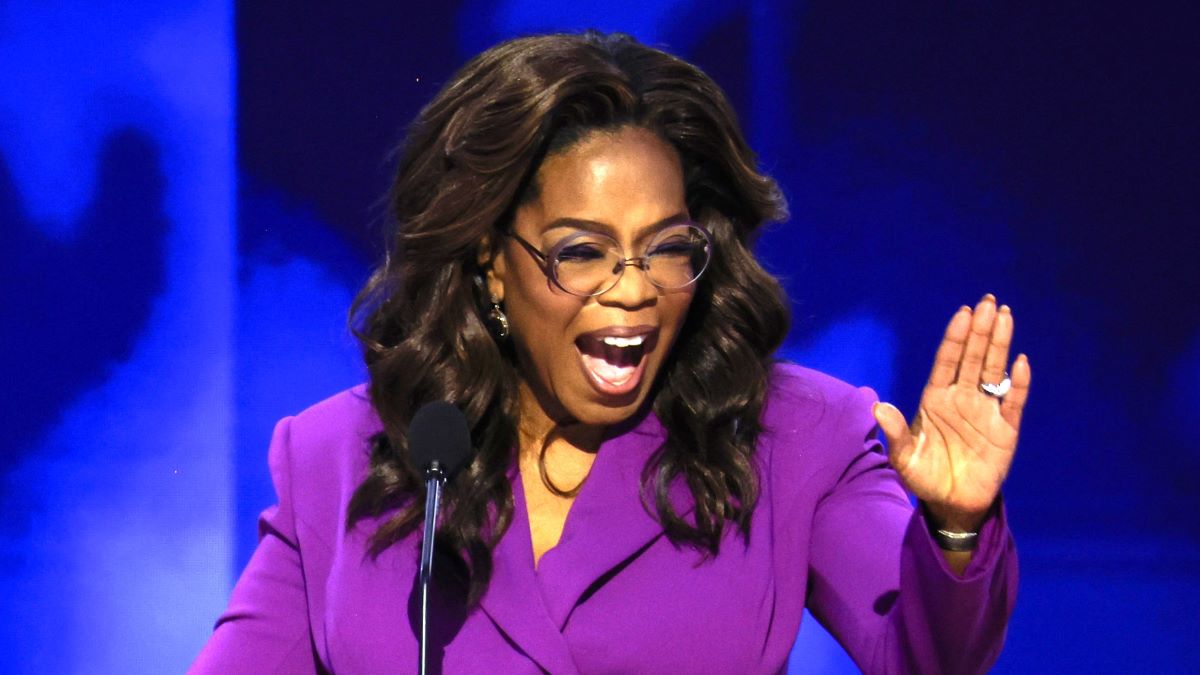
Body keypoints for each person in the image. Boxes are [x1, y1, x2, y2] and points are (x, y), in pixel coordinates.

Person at [192, 31, 1028, 674]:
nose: (633, 289)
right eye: (582, 251)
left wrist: (955, 529)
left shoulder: (793, 435)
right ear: (490, 257)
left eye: (667, 247)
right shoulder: (344, 457)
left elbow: (925, 654)